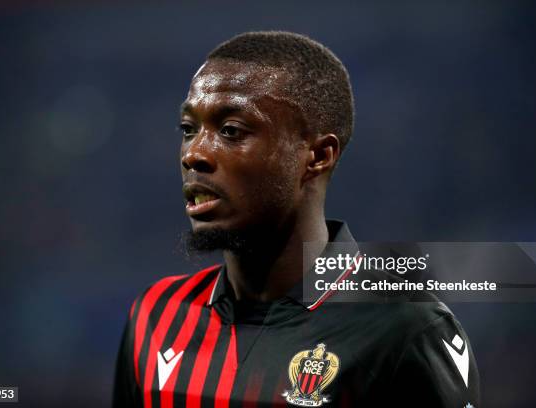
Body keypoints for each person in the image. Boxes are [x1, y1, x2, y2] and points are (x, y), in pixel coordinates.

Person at [113, 31, 480, 407]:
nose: (194, 154)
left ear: (318, 156)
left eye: (231, 131)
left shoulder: (404, 328)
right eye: (189, 130)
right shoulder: (156, 316)